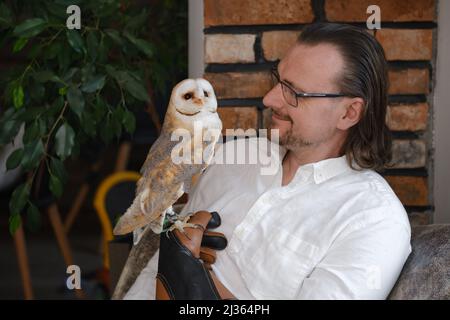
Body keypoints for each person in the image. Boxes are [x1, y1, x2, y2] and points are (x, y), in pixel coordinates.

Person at [124, 22, 411, 300]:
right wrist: (177, 265)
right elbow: (156, 273)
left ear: (349, 113)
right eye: (278, 80)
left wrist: (198, 286)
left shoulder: (372, 219)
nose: (270, 98)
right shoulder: (235, 157)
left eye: (294, 92)